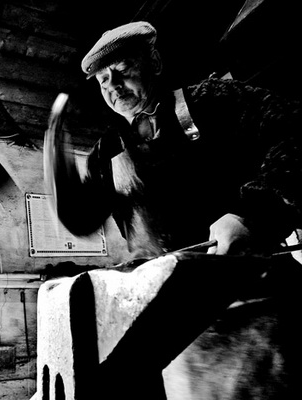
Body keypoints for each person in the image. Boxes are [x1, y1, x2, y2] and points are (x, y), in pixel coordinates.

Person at [45, 21, 302, 398]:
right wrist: (57, 165)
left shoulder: (211, 100)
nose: (113, 87)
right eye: (103, 81)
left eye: (122, 71)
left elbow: (295, 132)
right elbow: (82, 218)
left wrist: (252, 212)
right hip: (174, 326)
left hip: (258, 305)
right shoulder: (107, 151)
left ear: (155, 62)